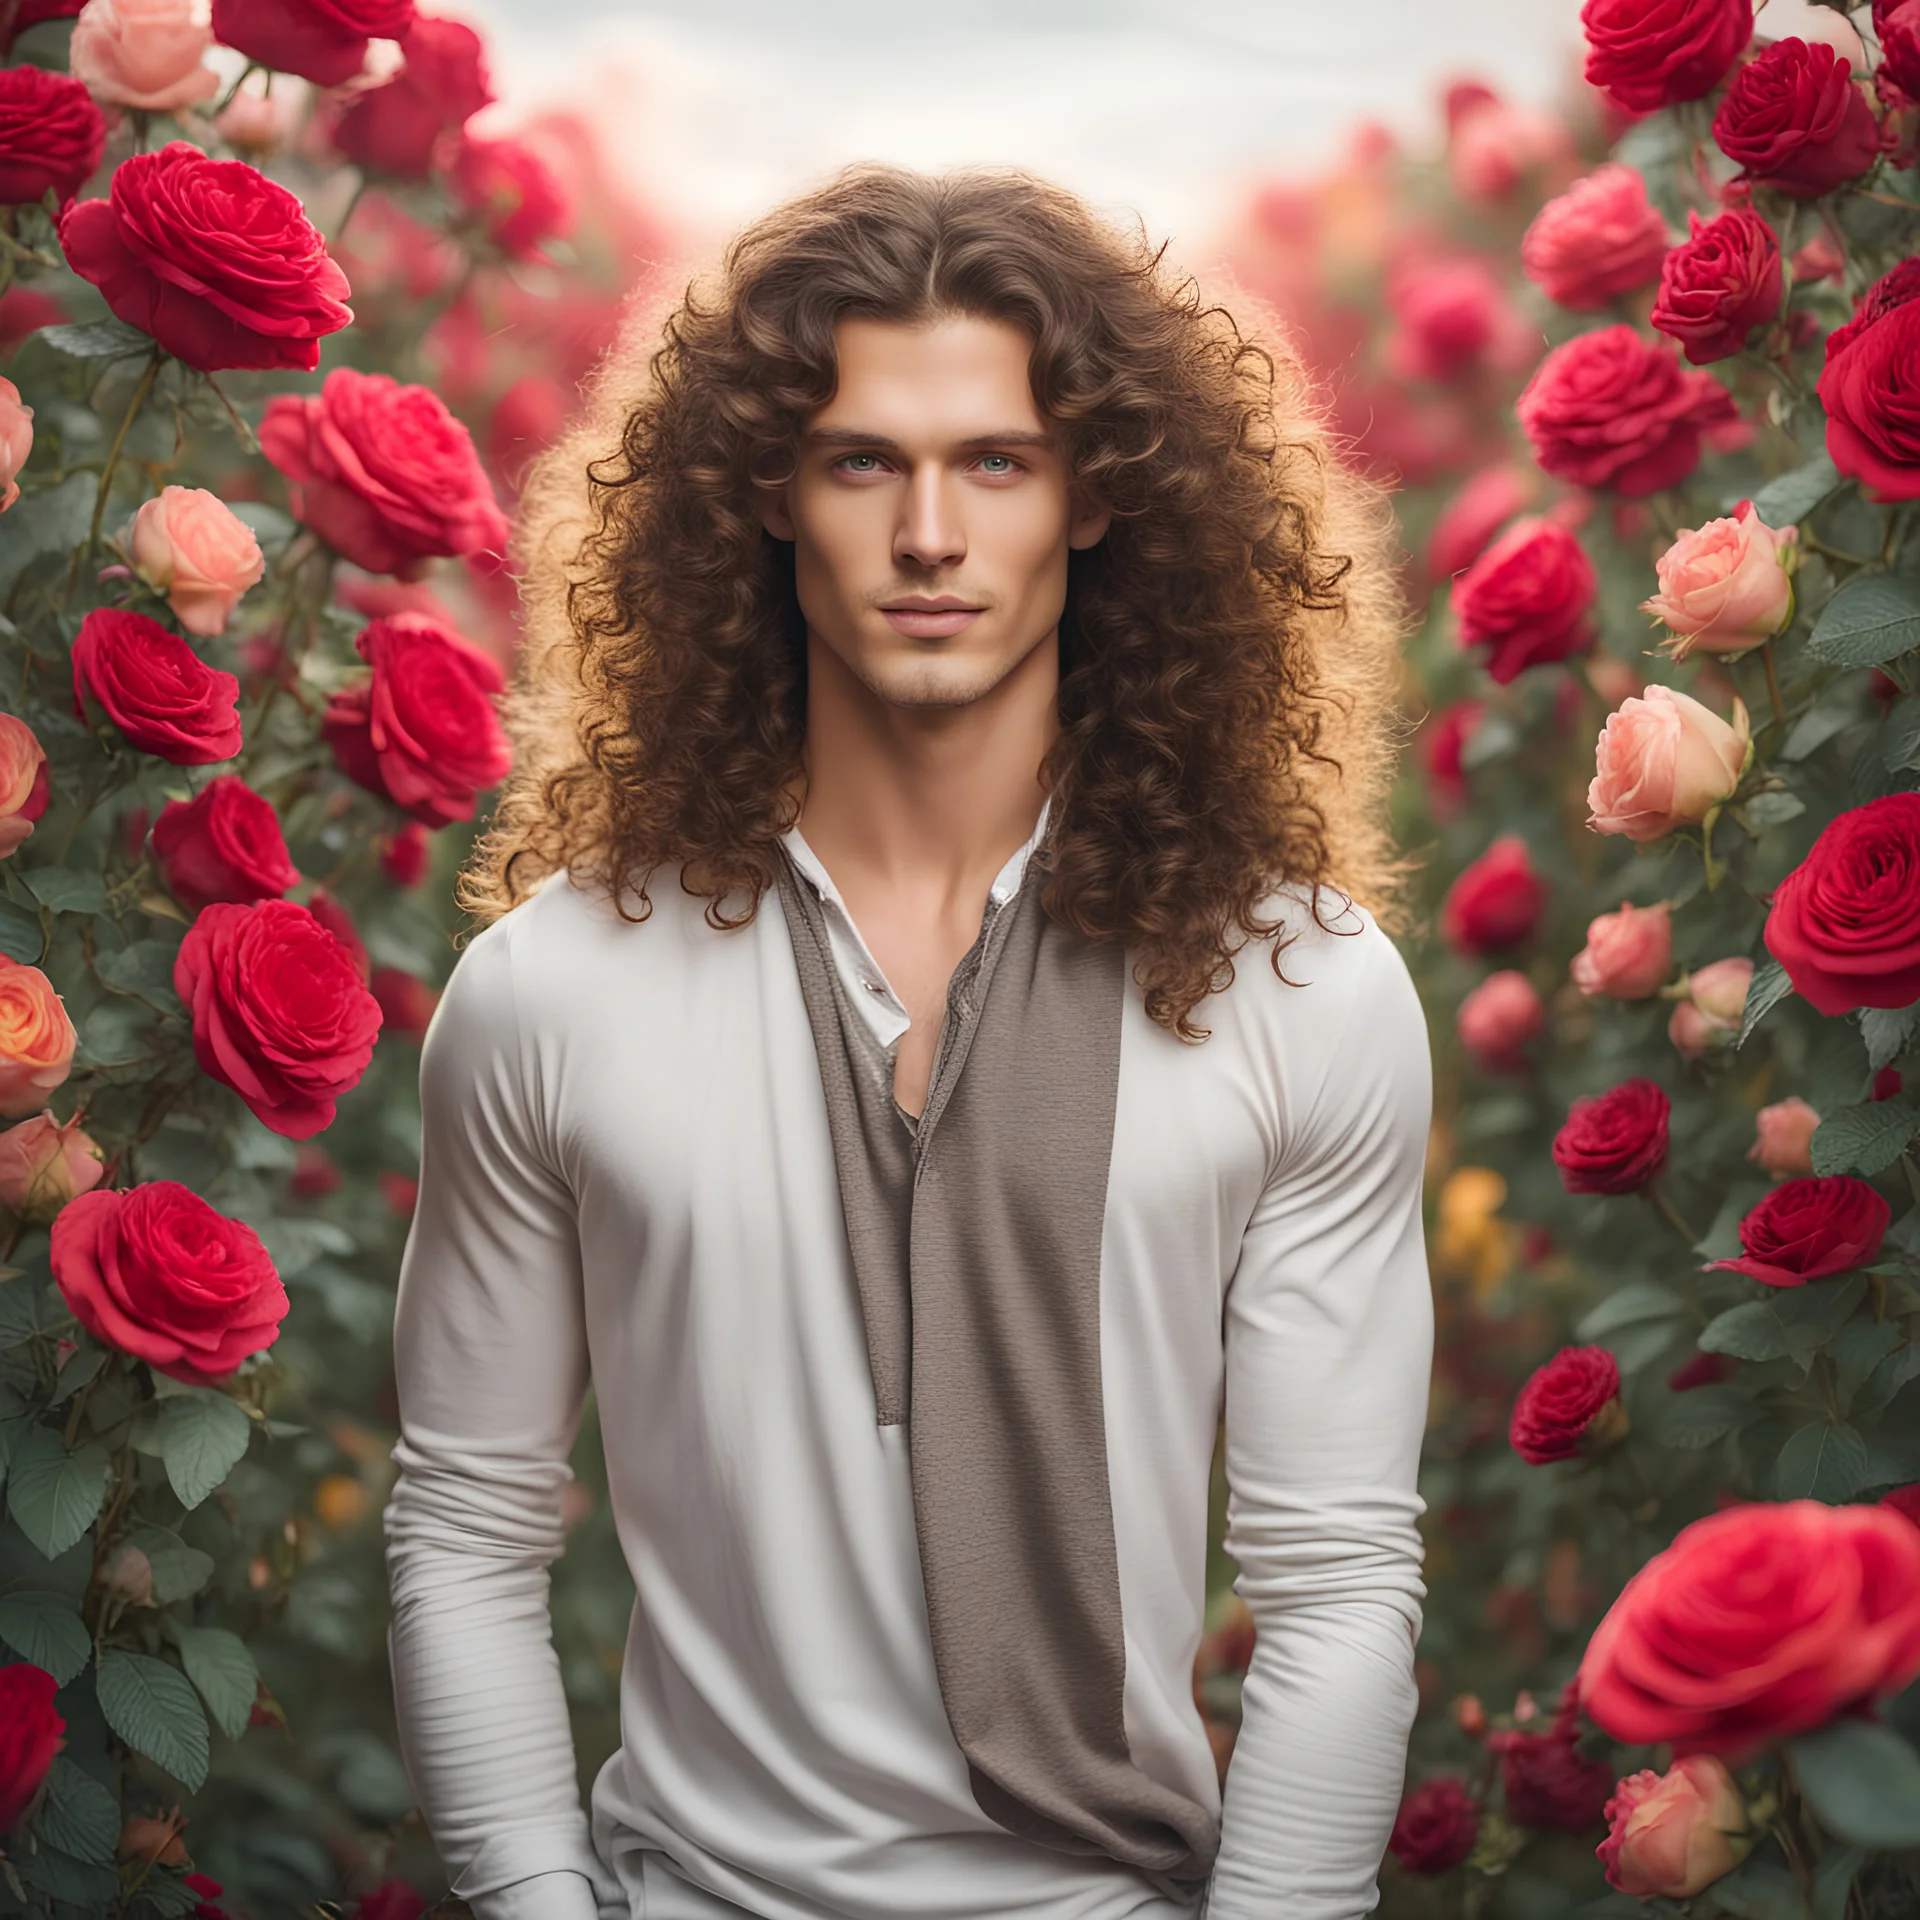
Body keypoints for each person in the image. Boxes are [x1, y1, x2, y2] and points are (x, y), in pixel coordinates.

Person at [383, 162, 1435, 1920]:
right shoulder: (550, 990)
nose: (929, 534)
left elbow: (1336, 1585)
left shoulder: (1301, 987)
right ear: (768, 499)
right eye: (864, 460)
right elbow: (466, 1533)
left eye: (997, 462)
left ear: (1095, 501)